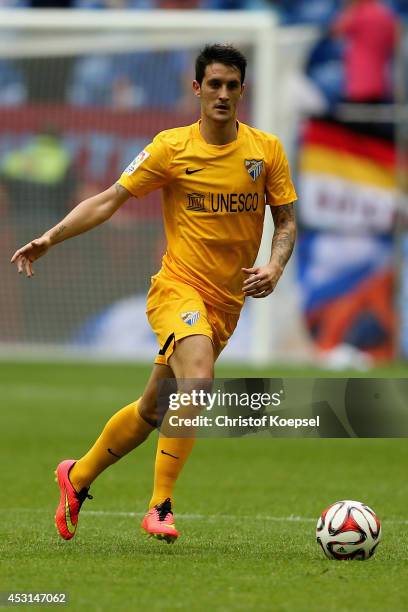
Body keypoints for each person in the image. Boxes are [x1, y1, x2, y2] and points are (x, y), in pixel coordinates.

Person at [11, 44, 297, 544]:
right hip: (177, 289)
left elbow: (288, 220)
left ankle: (75, 477)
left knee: (152, 409)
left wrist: (274, 265)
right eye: (214, 84)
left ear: (243, 91)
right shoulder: (170, 147)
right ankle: (160, 506)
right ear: (196, 89)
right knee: (200, 383)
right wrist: (50, 237)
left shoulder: (266, 150)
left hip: (226, 304)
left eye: (232, 85)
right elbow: (108, 201)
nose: (223, 94)